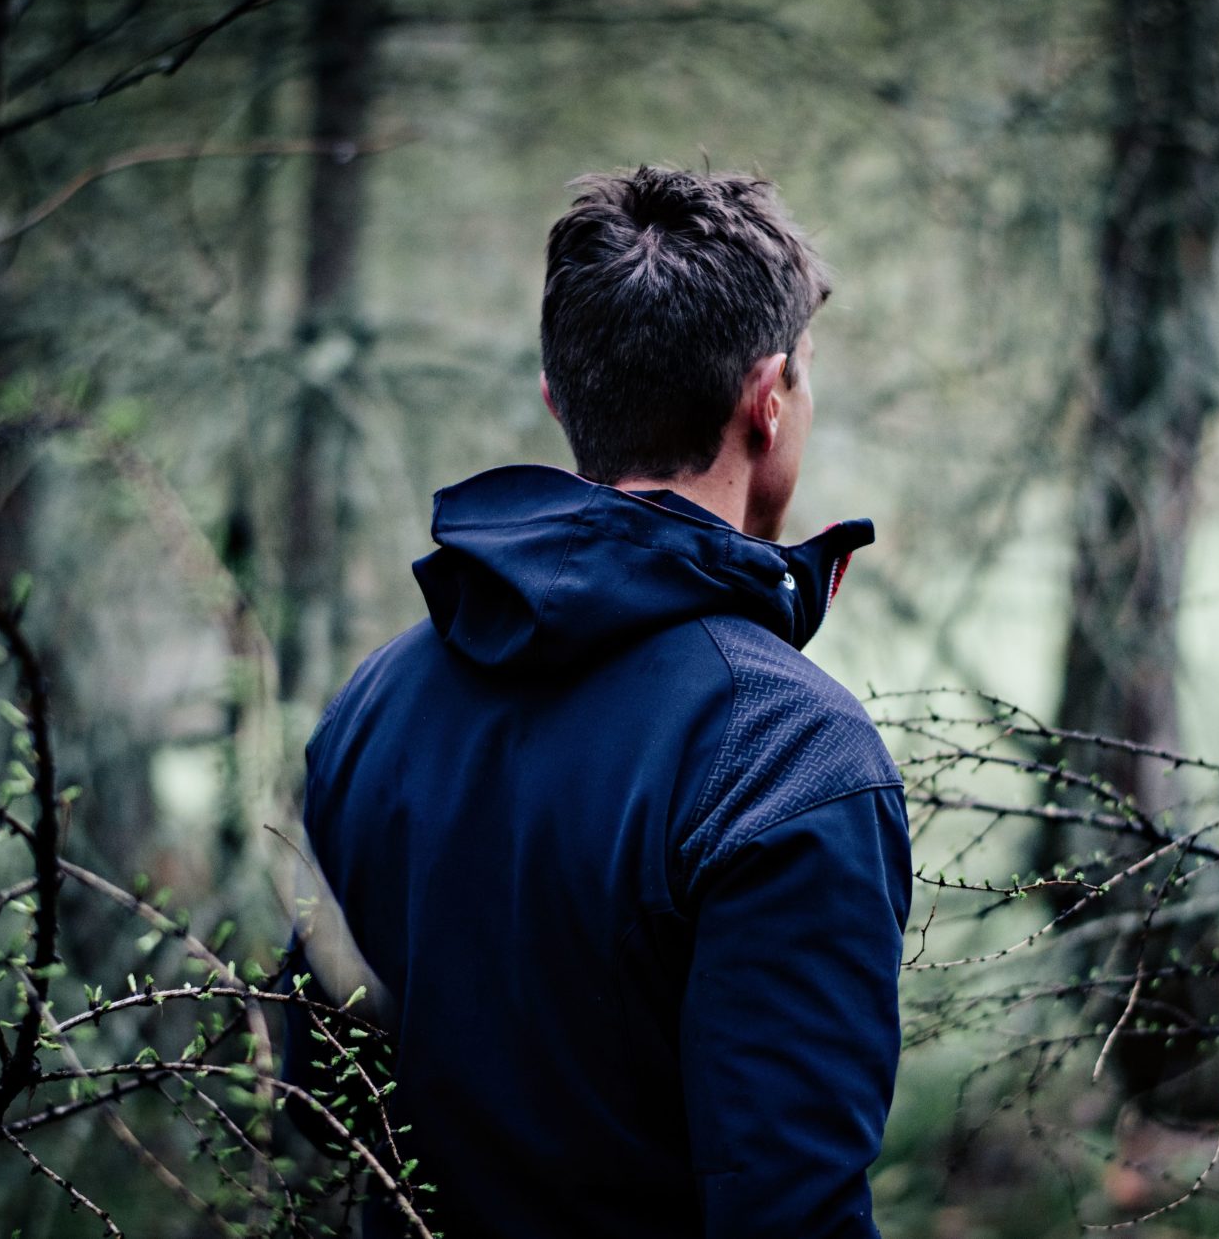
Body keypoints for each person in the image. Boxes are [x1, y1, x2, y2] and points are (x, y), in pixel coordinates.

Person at [286, 165, 912, 1238]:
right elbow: (790, 1214)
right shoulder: (787, 754)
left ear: (555, 398)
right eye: (804, 379)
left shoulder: (372, 707)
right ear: (768, 403)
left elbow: (320, 1107)